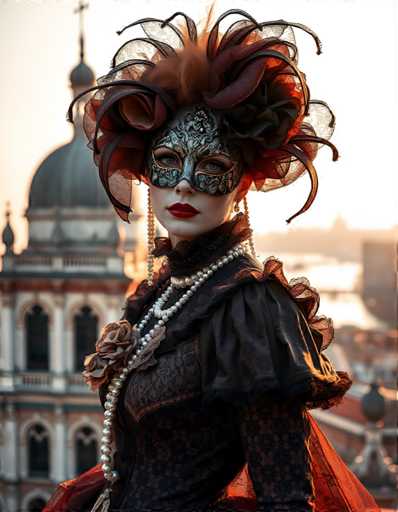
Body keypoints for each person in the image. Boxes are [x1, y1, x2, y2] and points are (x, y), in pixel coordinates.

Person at [45, 9, 381, 512]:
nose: (183, 183)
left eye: (211, 166)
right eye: (166, 161)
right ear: (144, 174)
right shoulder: (161, 294)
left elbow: (285, 498)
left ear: (243, 182)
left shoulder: (252, 310)